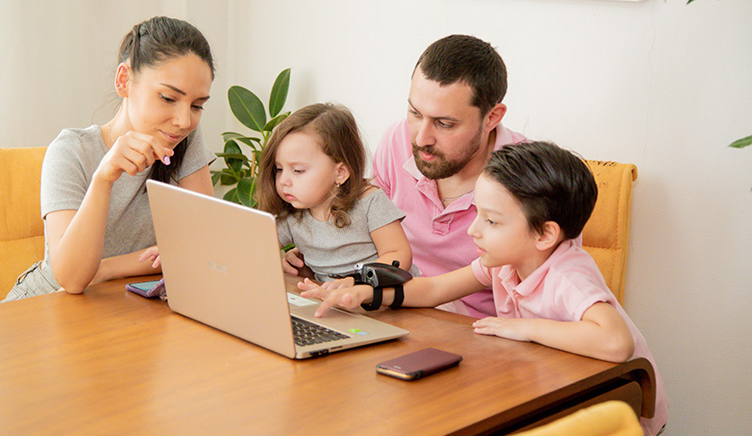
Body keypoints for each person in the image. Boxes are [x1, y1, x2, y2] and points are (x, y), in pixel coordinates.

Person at [299, 141, 668, 435]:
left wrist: (524, 328)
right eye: (478, 213)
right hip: (554, 387)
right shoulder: (505, 261)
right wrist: (367, 295)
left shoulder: (567, 275)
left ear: (545, 234)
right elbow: (433, 290)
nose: (474, 230)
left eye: (491, 220)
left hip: (618, 410)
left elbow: (616, 342)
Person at [284, 34, 526, 318]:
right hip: (389, 308)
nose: (422, 138)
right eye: (414, 113)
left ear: (492, 117)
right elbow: (365, 229)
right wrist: (317, 256)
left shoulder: (529, 177)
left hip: (475, 329)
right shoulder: (396, 141)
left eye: (445, 124)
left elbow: (547, 293)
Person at [1, 16, 216, 301]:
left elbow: (204, 244)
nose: (183, 119)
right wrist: (103, 178)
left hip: (121, 300)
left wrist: (106, 269)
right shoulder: (71, 150)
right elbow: (72, 279)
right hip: (47, 303)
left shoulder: (184, 139)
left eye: (197, 105)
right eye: (167, 98)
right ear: (124, 81)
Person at [256, 102, 417, 280]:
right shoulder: (292, 215)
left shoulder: (370, 203)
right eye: (279, 169)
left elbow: (399, 255)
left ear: (340, 173)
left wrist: (357, 283)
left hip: (390, 300)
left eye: (298, 170)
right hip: (336, 303)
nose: (284, 180)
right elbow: (255, 248)